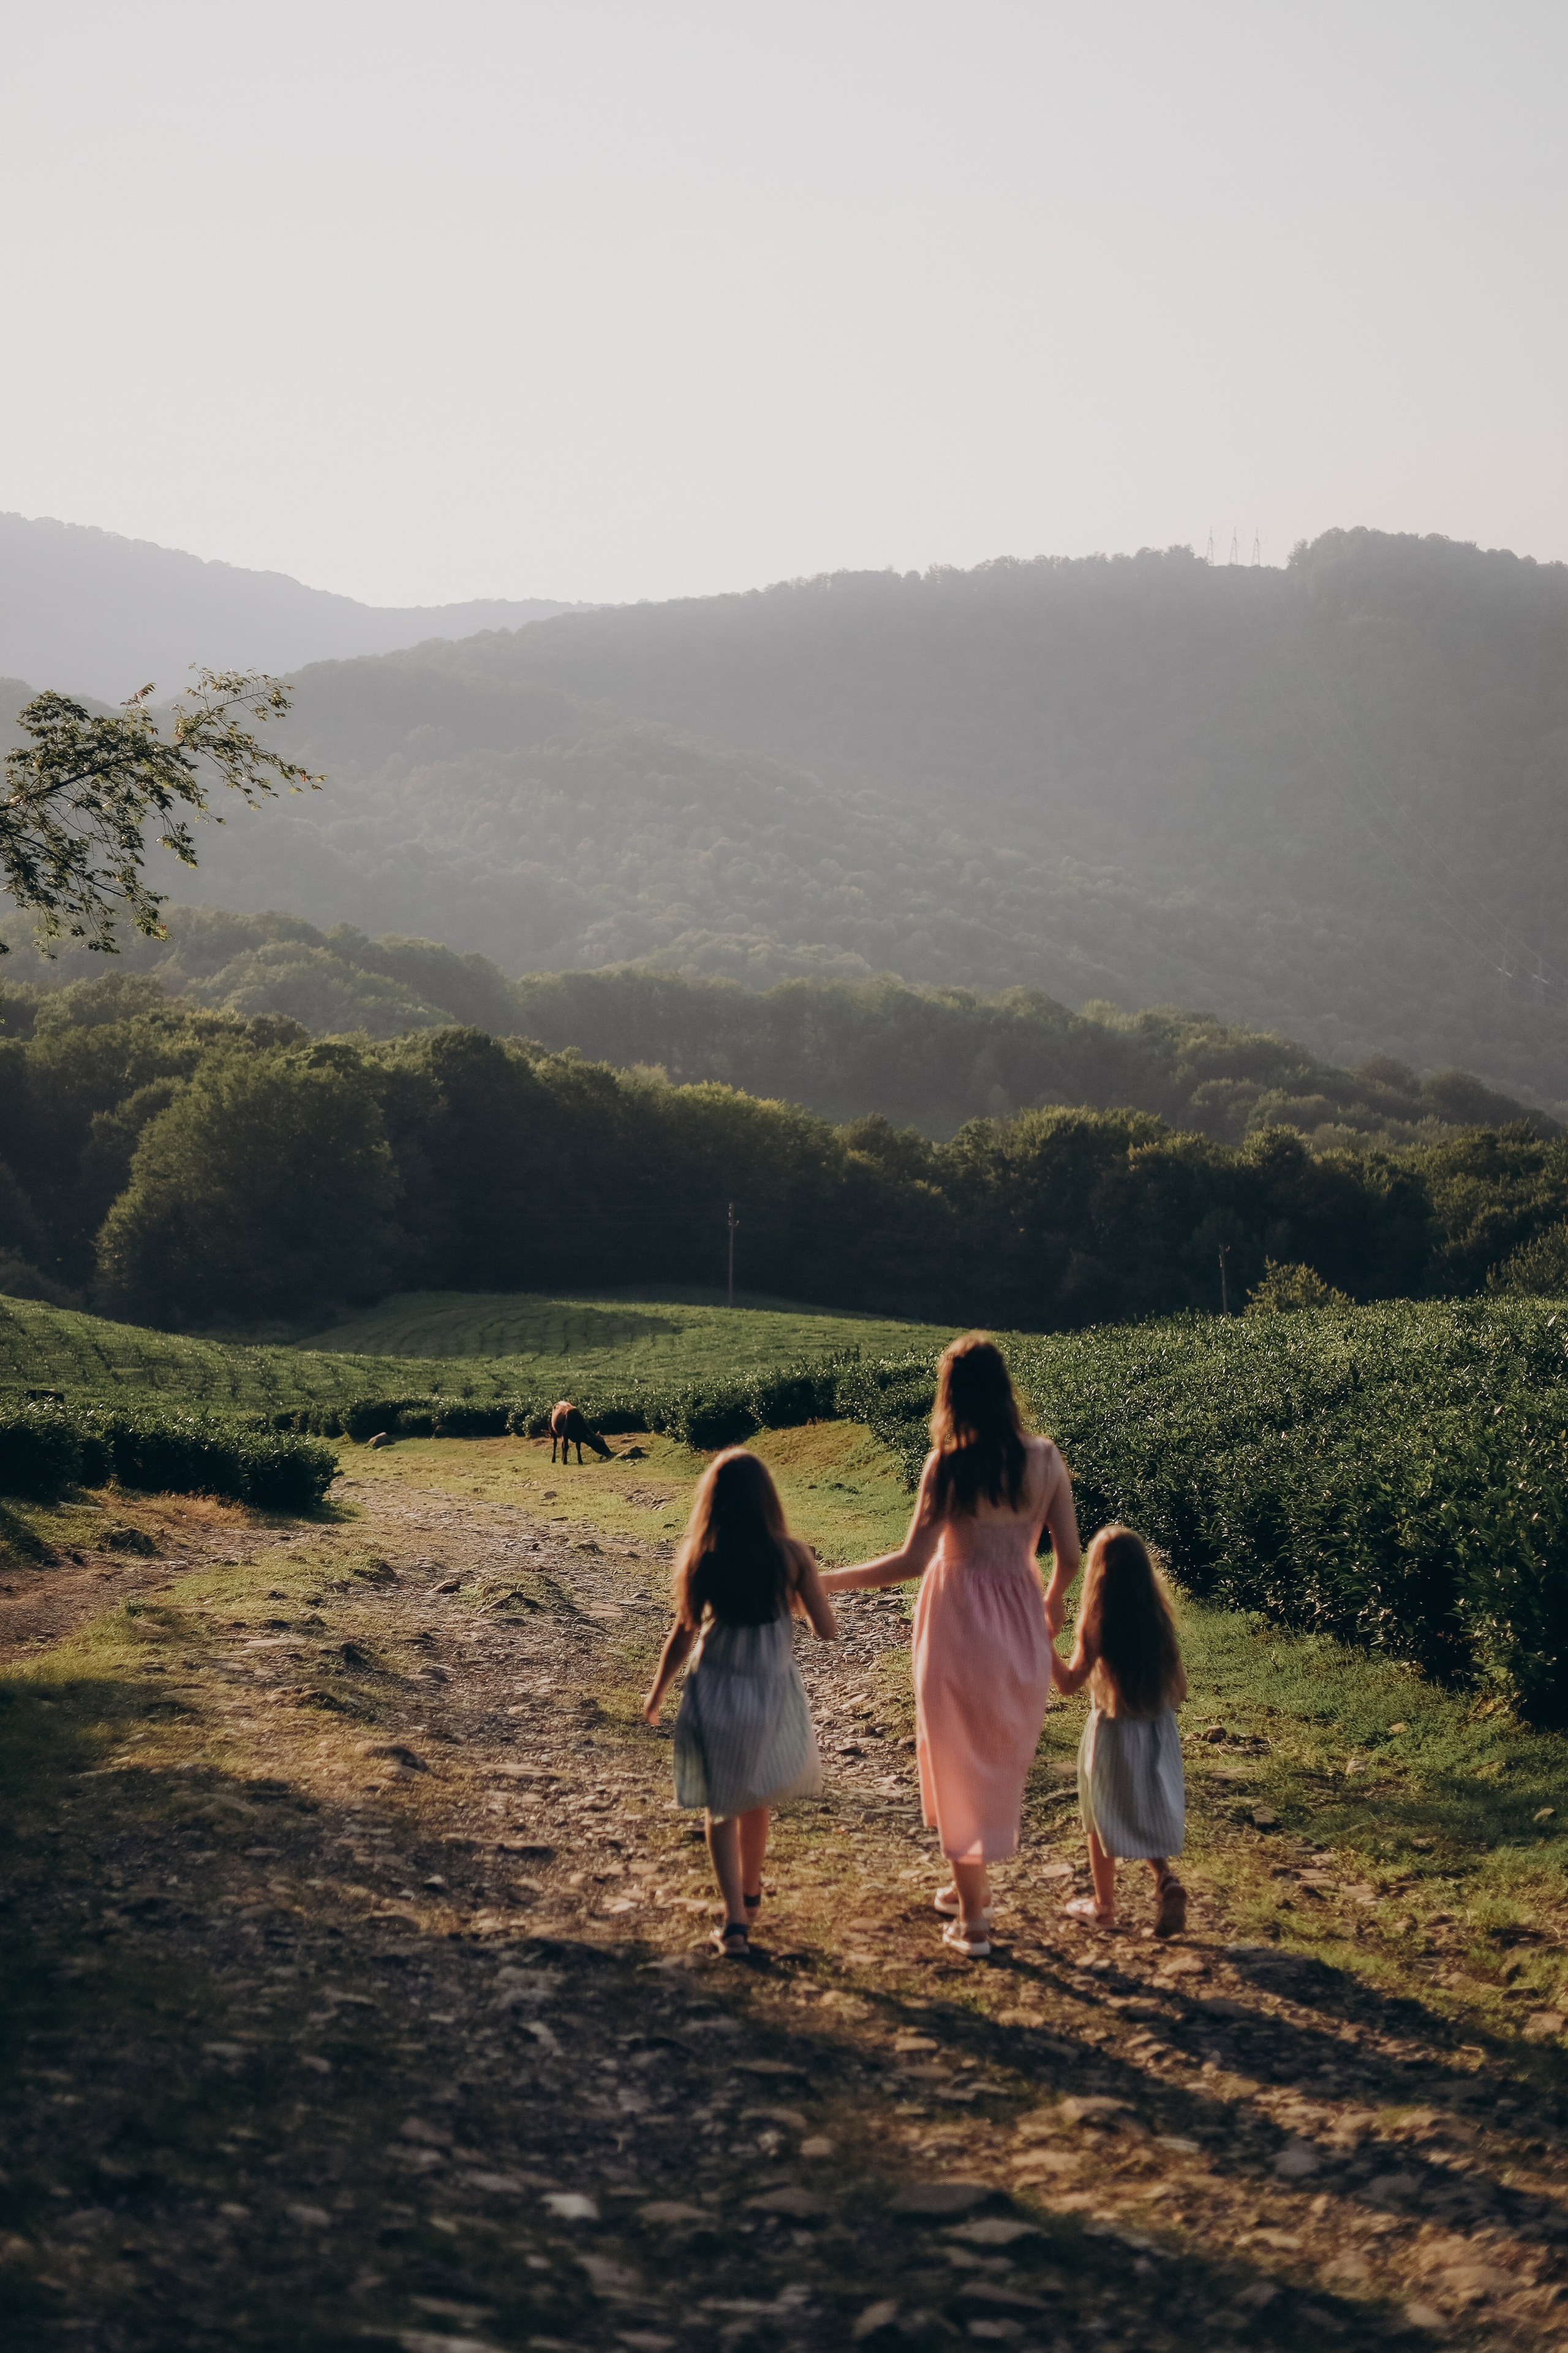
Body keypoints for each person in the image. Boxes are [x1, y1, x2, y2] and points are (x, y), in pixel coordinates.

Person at [820, 1333, 1081, 1957]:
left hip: (957, 1617)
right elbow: (1069, 1555)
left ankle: (974, 1921)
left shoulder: (948, 1463)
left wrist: (829, 1579)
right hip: (1019, 1614)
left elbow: (913, 1559)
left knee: (955, 1754)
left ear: (952, 1395)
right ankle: (971, 1885)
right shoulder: (1045, 1458)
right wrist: (1052, 1598)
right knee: (996, 1751)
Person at [643, 1447, 837, 1957]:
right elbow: (826, 1629)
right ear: (767, 1499)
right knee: (758, 1795)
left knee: (721, 1804)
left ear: (713, 1502)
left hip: (716, 1685)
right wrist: (802, 1589)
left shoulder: (702, 1556)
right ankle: (751, 1893)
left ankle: (734, 1920)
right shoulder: (792, 1556)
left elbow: (682, 1634)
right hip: (770, 1687)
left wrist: (658, 1691)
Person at [1050, 1524, 1188, 1937]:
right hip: (1157, 1728)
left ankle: (1104, 1905)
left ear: (1099, 1576)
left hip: (1112, 1730)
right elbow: (1178, 1686)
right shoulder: (1159, 1620)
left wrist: (1045, 1647)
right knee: (1145, 1809)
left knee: (1100, 1816)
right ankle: (1165, 1878)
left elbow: (1071, 1683)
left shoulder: (1098, 1621)